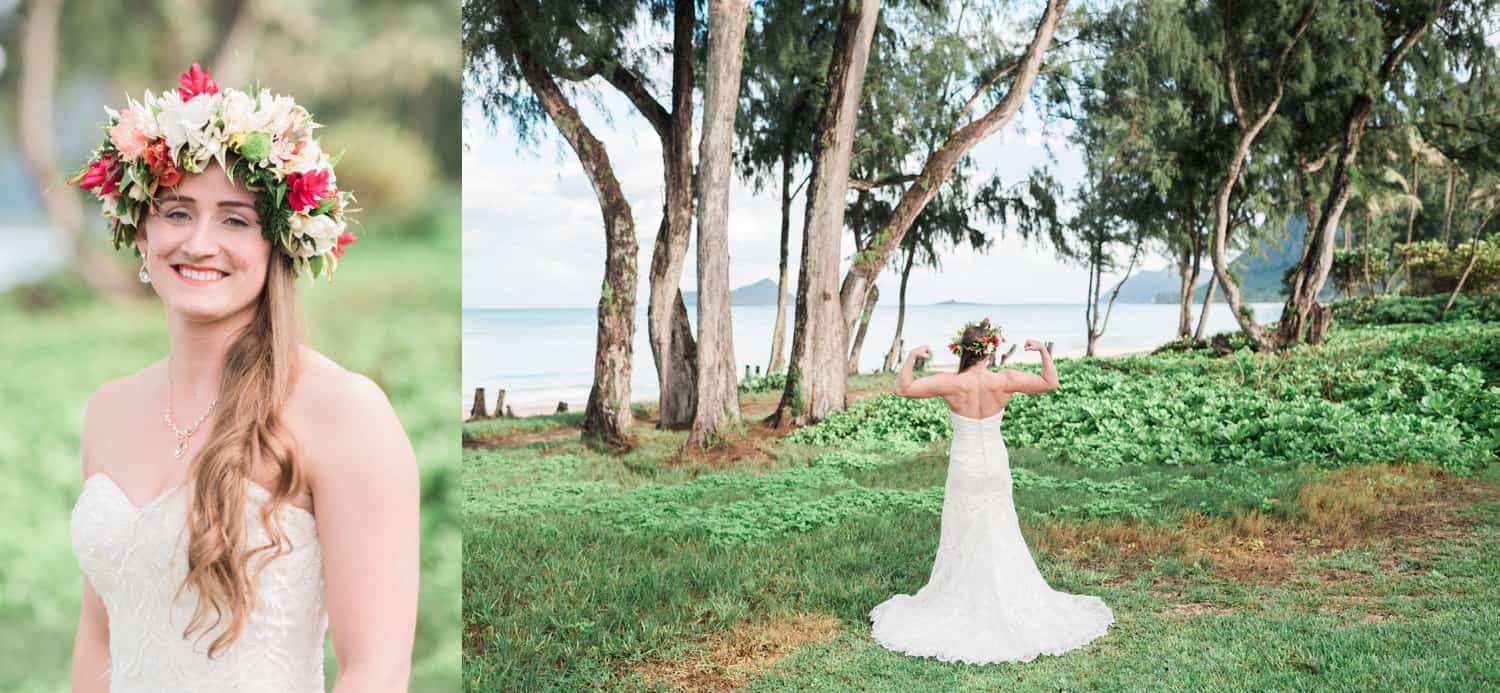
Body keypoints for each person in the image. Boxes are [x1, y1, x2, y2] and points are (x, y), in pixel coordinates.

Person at [67, 64, 418, 692]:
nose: (200, 243)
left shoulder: (344, 412)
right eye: (177, 212)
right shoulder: (108, 410)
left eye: (235, 219)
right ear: (141, 230)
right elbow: (100, 641)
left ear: (279, 244)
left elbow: (376, 668)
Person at [869, 318, 1113, 664]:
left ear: (963, 351)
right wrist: (1043, 350)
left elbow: (904, 388)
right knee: (999, 524)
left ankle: (965, 592)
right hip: (995, 466)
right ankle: (1004, 590)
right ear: (991, 349)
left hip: (965, 467)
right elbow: (1050, 382)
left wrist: (911, 356)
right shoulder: (1005, 380)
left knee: (963, 527)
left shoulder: (952, 384)